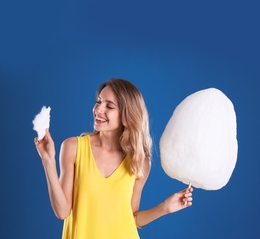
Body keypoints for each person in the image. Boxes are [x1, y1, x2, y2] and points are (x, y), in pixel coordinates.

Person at [34, 78, 193, 239]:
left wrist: (165, 207)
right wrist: (48, 161)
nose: (98, 109)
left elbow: (132, 217)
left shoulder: (140, 162)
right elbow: (62, 212)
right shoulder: (73, 147)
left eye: (109, 106)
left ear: (126, 116)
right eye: (98, 102)